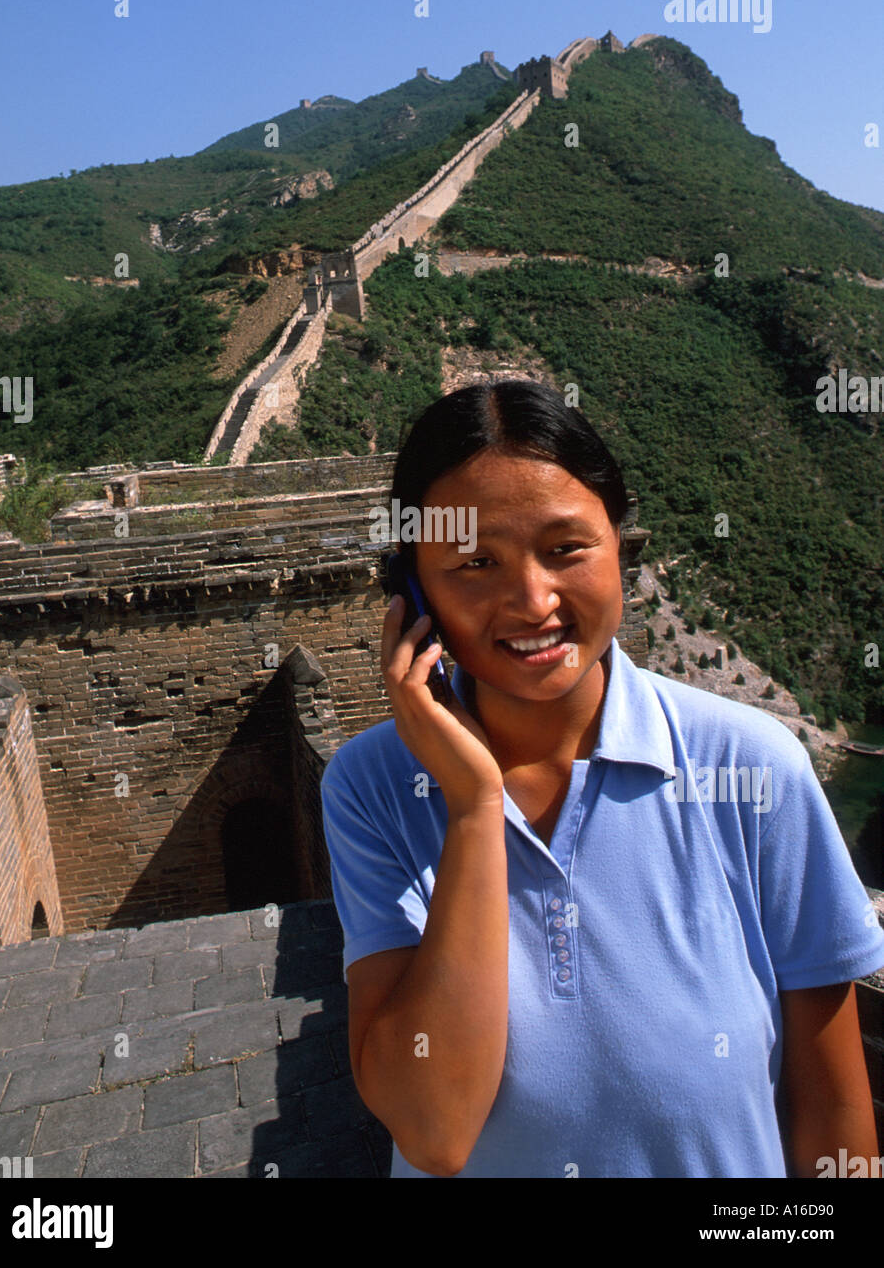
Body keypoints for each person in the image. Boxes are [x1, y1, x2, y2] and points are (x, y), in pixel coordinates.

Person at [320, 379, 884, 1178]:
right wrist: (476, 808)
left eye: (565, 549)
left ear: (619, 546)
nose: (532, 601)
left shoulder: (750, 768)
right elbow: (433, 1128)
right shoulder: (373, 790)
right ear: (414, 595)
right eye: (475, 563)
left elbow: (832, 1111)